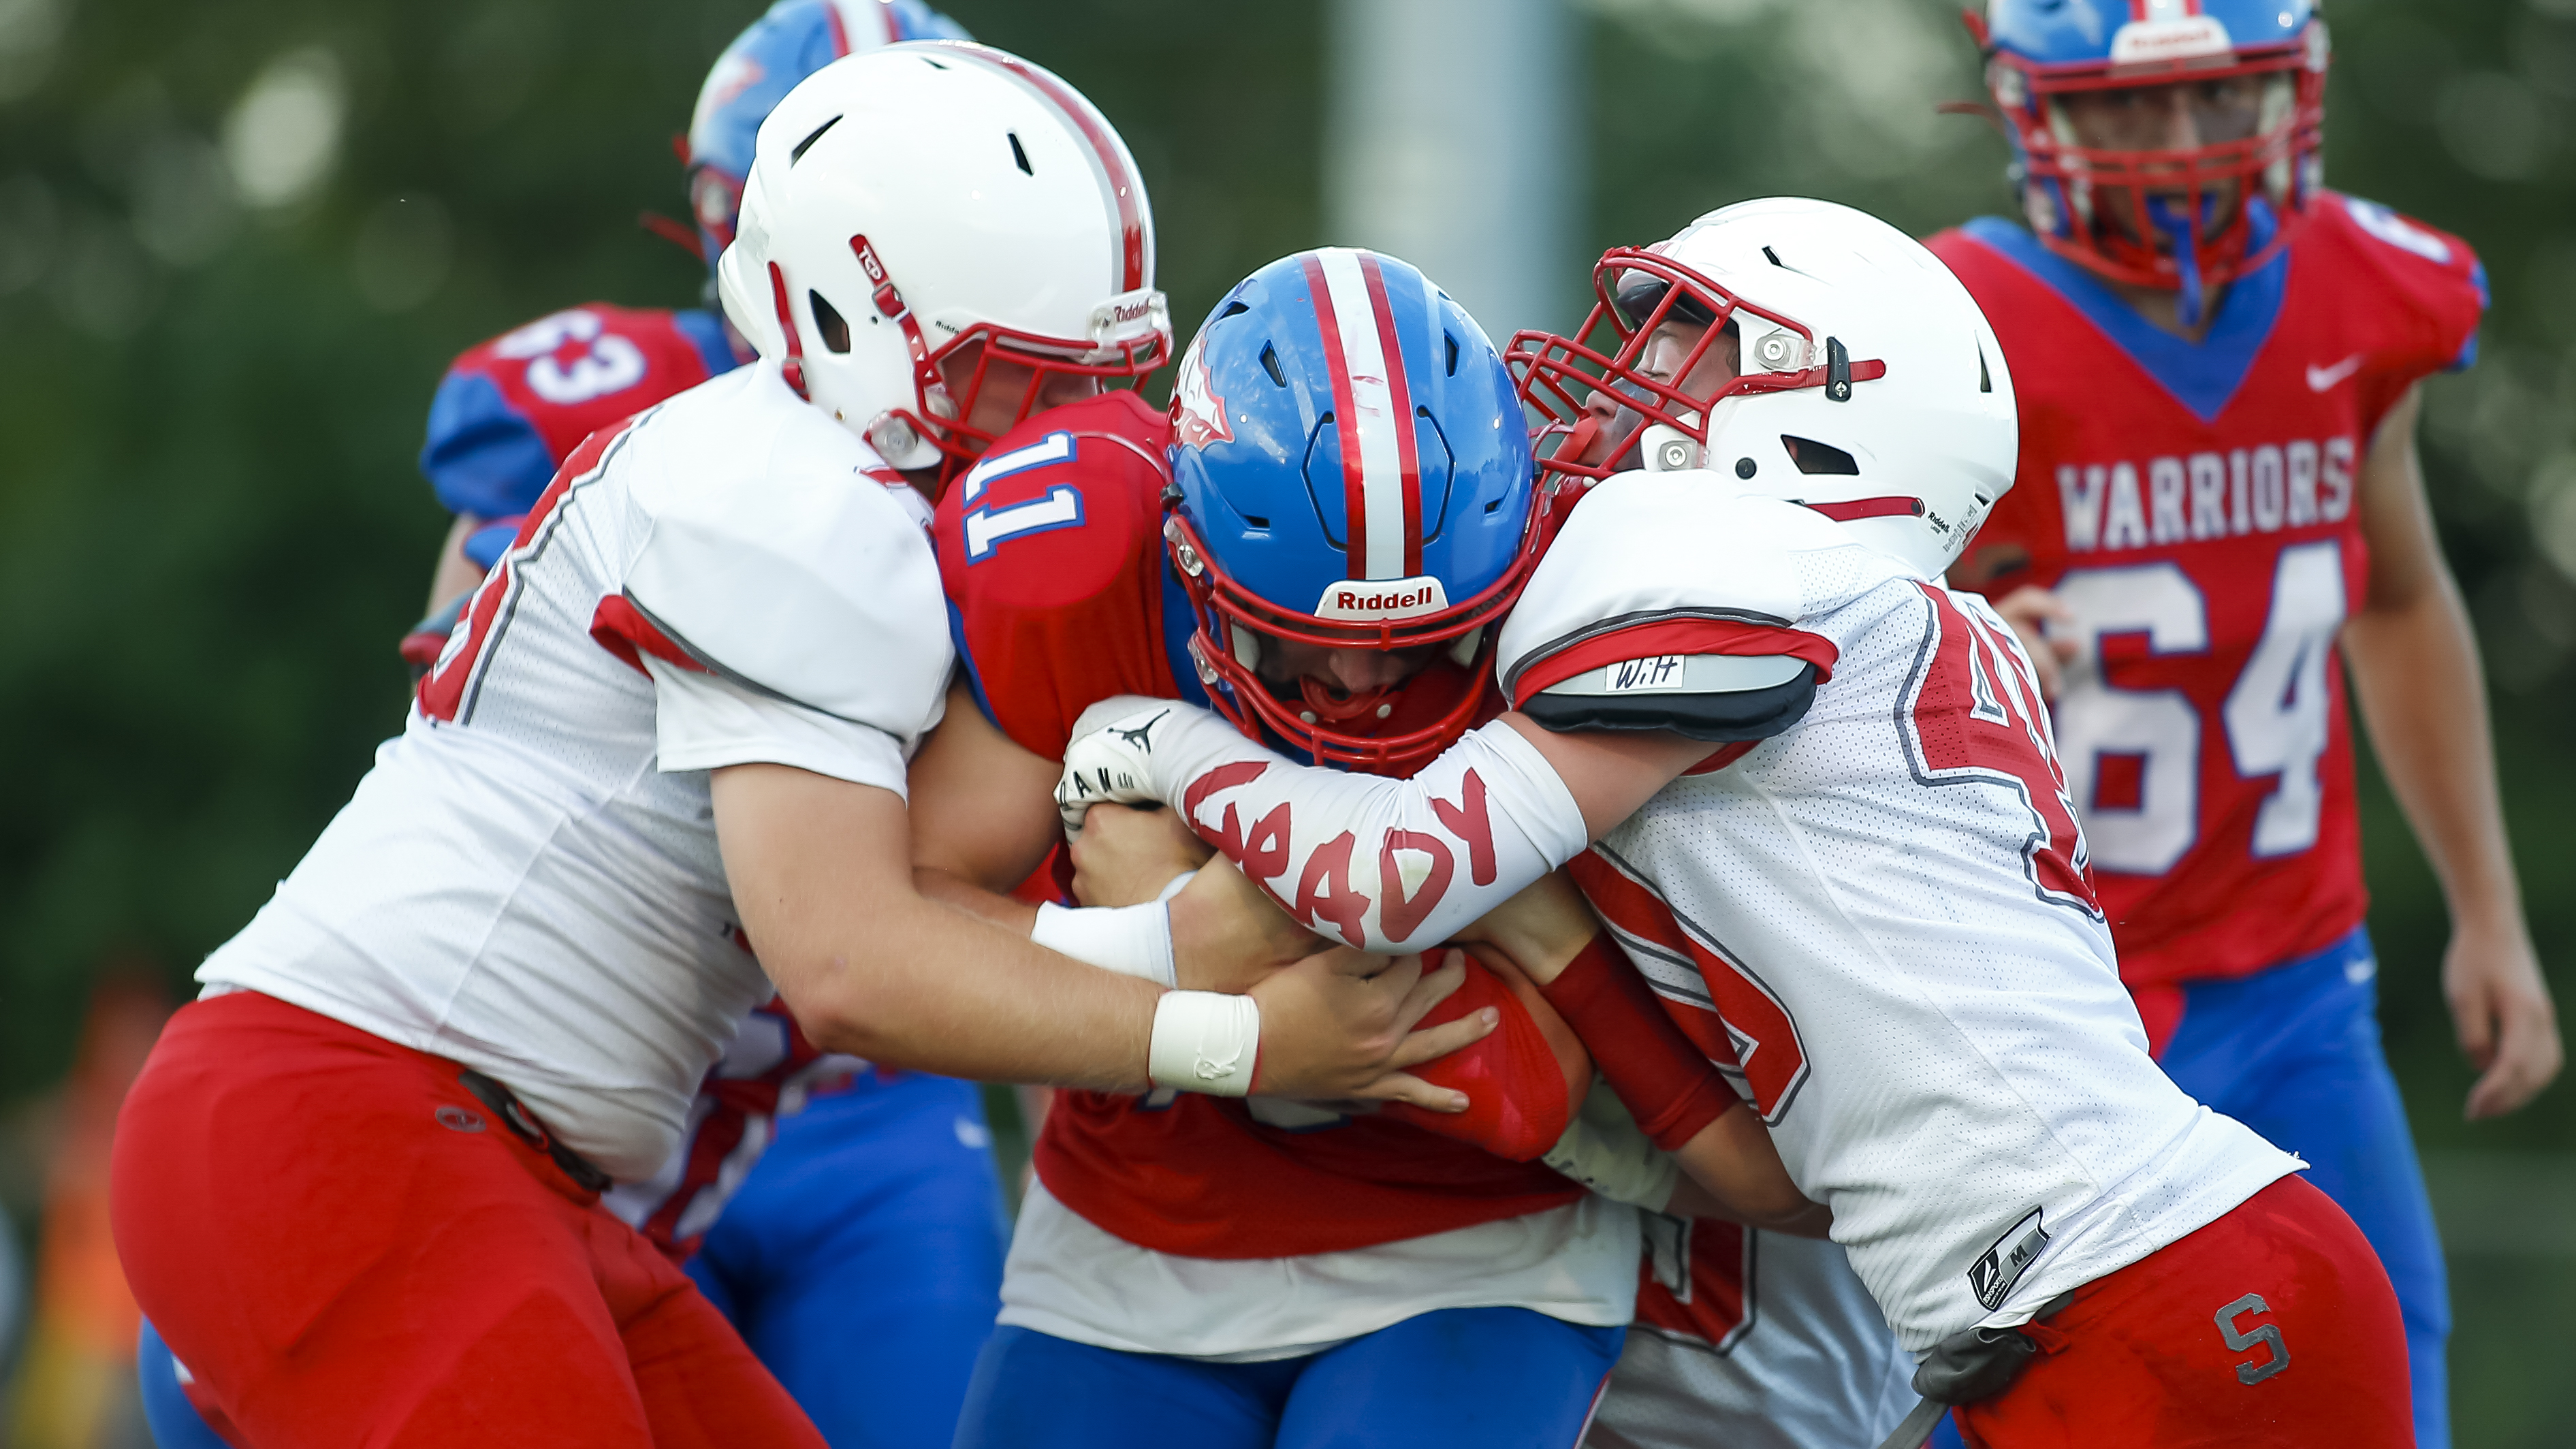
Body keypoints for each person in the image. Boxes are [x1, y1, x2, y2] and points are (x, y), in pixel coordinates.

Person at [109, 46, 1474, 1449]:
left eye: (1099, 378)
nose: (1066, 430)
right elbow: (849, 965)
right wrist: (1235, 1034)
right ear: (849, 323)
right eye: (1023, 382)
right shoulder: (790, 502)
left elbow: (926, 899)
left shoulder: (831, 490)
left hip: (489, 1163)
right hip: (356, 1123)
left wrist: (1187, 927)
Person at [1054, 197, 2416, 1445]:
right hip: (2149, 1281)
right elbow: (1796, 1178)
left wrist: (1155, 741)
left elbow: (1387, 879)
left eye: (1693, 342)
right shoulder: (1910, 627)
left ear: (1821, 422)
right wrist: (1565, 995)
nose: (1628, 373)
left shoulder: (1693, 551)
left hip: (2146, 1300)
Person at [135, 10, 1008, 1449]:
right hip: (555, 1061)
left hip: (858, 1083)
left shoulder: (1018, 460)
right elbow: (462, 737)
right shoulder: (653, 428)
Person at [909, 246, 1824, 1449]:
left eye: (1430, 641)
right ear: (1188, 551)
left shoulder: (1599, 594)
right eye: (1295, 638)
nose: (1357, 677)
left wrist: (1172, 913)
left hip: (1481, 1254)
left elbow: (1763, 1166)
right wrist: (1168, 970)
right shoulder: (1087, 559)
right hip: (1130, 1243)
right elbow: (909, 931)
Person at [1924, 4, 2562, 1444]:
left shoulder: (2355, 288)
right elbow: (1845, 672)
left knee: (2380, 1376)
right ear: (2028, 110)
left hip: (2289, 986)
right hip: (2040, 1014)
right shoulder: (1948, 337)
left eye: (2214, 99)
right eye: (2126, 109)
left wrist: (2484, 908)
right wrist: (1965, 649)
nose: (2175, 149)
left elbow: (2393, 598)